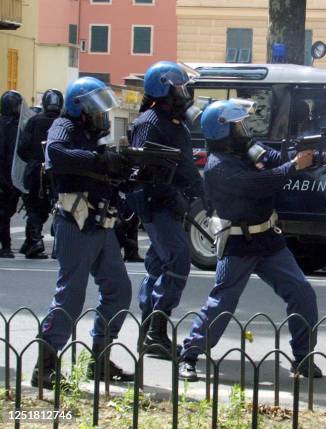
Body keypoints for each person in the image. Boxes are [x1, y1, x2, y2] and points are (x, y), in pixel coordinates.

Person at [178, 100, 326, 381]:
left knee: (301, 292)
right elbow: (259, 184)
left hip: (267, 238)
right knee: (222, 302)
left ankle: (303, 358)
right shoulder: (219, 165)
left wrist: (321, 157)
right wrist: (292, 166)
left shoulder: (248, 150)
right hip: (237, 242)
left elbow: (280, 160)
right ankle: (189, 355)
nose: (243, 128)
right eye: (237, 125)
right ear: (222, 132)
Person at [32, 77, 133, 389]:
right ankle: (45, 367)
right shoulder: (64, 127)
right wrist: (99, 159)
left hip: (101, 226)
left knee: (119, 291)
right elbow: (58, 155)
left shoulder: (91, 135)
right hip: (75, 225)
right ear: (79, 108)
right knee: (70, 297)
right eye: (95, 108)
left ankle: (99, 360)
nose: (101, 115)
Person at [130, 61, 205, 358]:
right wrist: (169, 195)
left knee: (159, 268)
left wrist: (204, 196)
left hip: (172, 204)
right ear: (163, 88)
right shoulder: (149, 122)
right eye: (179, 88)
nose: (184, 94)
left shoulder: (176, 124)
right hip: (156, 205)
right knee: (177, 260)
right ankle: (156, 332)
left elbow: (186, 167)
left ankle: (148, 333)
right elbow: (142, 173)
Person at [16, 89, 63, 259]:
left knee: (34, 206)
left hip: (35, 169)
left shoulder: (34, 121)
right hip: (57, 171)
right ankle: (58, 245)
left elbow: (22, 148)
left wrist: (33, 159)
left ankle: (35, 241)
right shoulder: (63, 122)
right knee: (60, 206)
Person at [0, 90, 23, 258]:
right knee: (6, 213)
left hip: (6, 175)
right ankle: (6, 246)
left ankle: (6, 246)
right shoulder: (19, 128)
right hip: (11, 176)